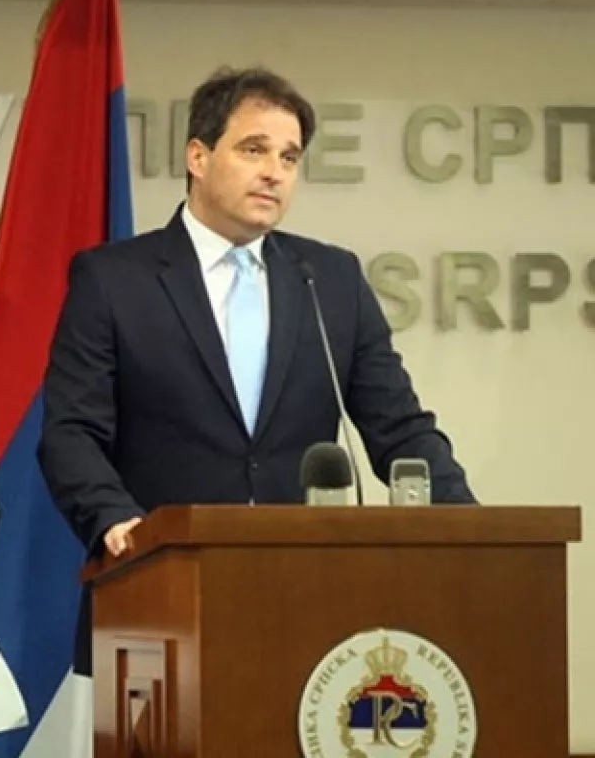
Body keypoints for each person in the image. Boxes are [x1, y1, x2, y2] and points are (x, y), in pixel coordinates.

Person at [38, 66, 475, 563]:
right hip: (158, 574)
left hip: (303, 577)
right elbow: (72, 432)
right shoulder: (114, 279)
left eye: (289, 158)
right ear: (198, 157)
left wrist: (472, 525)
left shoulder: (331, 280)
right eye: (254, 150)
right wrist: (114, 518)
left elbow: (399, 428)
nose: (274, 172)